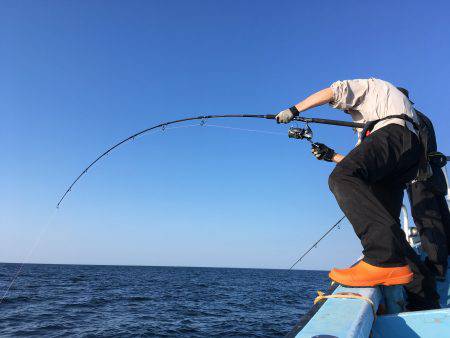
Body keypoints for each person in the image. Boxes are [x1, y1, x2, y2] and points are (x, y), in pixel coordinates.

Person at [276, 78, 440, 310]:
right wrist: (330, 155)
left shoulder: (373, 88)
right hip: (406, 155)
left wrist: (294, 110)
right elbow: (360, 164)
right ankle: (424, 297)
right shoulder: (372, 122)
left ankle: (382, 259)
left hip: (395, 134)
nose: (342, 108)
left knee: (340, 178)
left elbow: (332, 92)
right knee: (390, 229)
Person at [399, 89, 450, 281]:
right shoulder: (424, 118)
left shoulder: (408, 118)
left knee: (427, 219)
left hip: (420, 176)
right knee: (442, 215)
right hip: (435, 173)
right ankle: (446, 257)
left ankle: (437, 267)